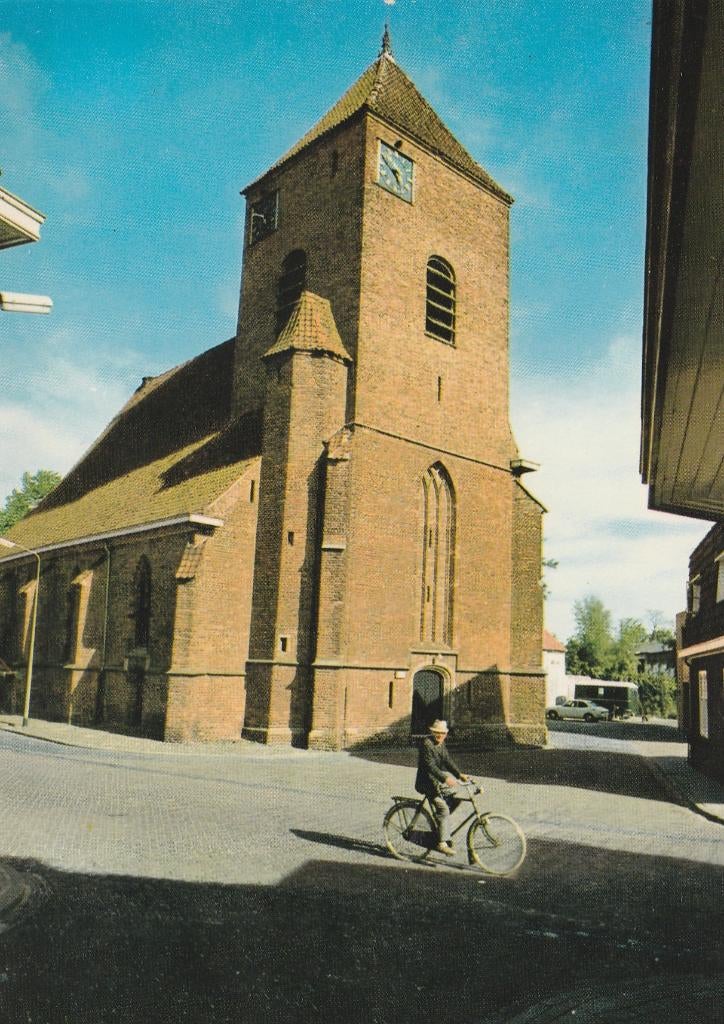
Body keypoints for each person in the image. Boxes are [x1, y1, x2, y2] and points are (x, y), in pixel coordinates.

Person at [415, 719, 471, 856]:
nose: (440, 736)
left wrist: (459, 775)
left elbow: (447, 761)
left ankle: (440, 827)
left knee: (453, 797)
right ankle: (441, 843)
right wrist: (445, 778)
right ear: (432, 732)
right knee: (443, 809)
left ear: (446, 734)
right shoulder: (426, 744)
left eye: (443, 733)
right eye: (437, 733)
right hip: (426, 783)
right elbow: (430, 766)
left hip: (436, 782)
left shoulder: (441, 744)